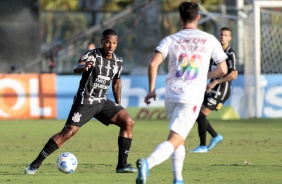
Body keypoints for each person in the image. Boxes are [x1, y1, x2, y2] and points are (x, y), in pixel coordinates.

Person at [135, 2, 228, 184]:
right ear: (198, 18)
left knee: (178, 137)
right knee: (176, 138)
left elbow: (153, 64)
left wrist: (151, 89)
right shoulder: (209, 39)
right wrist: (205, 76)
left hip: (171, 95)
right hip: (191, 96)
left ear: (180, 18)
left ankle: (178, 179)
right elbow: (223, 69)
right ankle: (147, 163)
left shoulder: (170, 39)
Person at [25, 29, 137, 174]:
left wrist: (118, 105)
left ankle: (122, 165)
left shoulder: (118, 61)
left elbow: (117, 83)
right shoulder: (92, 55)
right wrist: (83, 67)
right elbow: (76, 67)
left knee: (128, 122)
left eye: (114, 43)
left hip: (102, 102)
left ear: (117, 44)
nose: (110, 46)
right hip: (85, 101)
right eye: (108, 42)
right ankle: (35, 163)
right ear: (102, 42)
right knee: (68, 132)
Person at [190, 27, 237, 153]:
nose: (223, 37)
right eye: (221, 34)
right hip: (211, 87)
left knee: (200, 115)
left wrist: (216, 81)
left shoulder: (230, 54)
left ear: (229, 38)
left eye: (226, 35)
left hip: (221, 89)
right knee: (197, 114)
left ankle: (203, 146)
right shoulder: (214, 52)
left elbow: (234, 74)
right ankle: (215, 137)